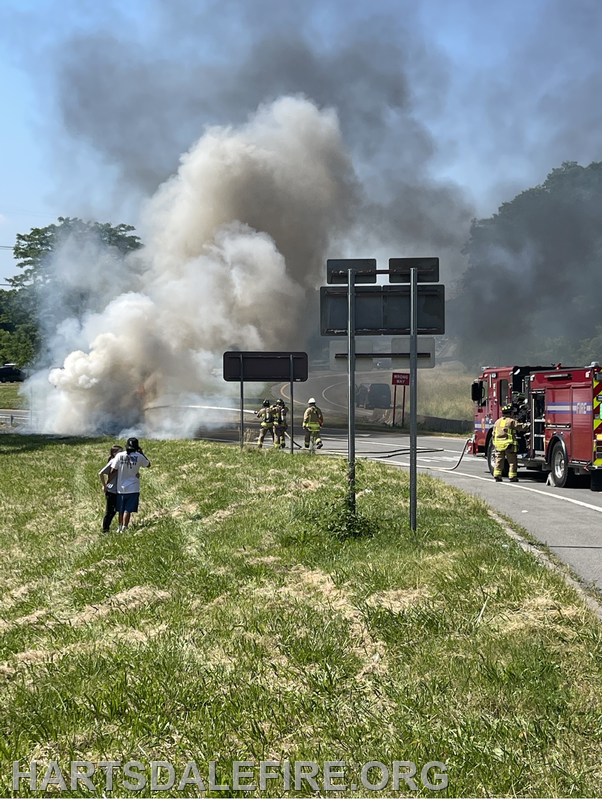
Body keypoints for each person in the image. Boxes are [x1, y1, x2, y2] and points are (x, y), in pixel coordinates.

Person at [109, 436, 151, 531]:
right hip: (133, 487)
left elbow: (113, 470)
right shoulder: (139, 457)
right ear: (137, 448)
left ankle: (119, 527)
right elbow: (148, 464)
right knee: (127, 509)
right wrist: (142, 453)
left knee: (121, 509)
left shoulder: (119, 456)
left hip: (121, 487)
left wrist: (108, 482)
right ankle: (125, 526)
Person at [492, 405, 529, 483]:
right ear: (511, 413)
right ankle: (512, 477)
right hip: (509, 445)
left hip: (498, 445)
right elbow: (520, 427)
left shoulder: (497, 422)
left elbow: (493, 433)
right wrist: (529, 426)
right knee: (512, 462)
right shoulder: (511, 421)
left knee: (499, 460)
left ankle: (497, 476)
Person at [98, 444, 123, 533]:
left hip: (118, 490)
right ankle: (105, 530)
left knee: (114, 511)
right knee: (109, 512)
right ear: (113, 453)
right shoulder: (113, 461)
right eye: (120, 452)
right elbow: (100, 473)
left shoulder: (121, 461)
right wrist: (105, 485)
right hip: (111, 490)